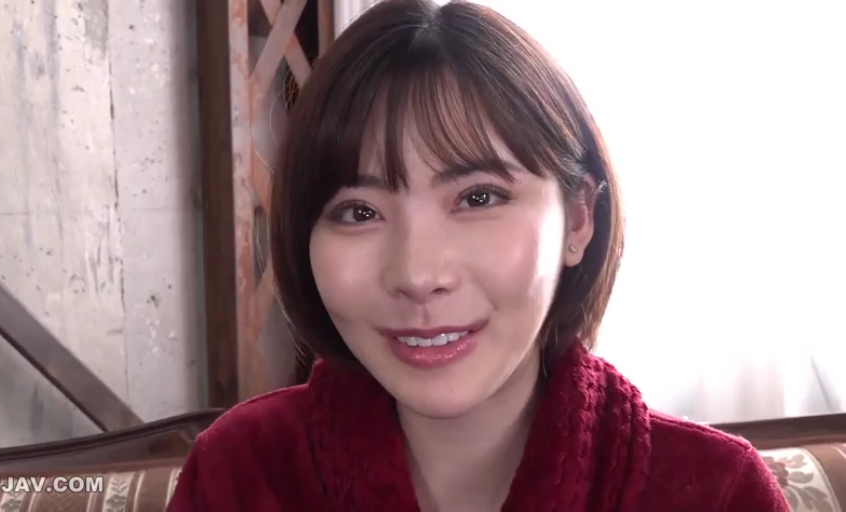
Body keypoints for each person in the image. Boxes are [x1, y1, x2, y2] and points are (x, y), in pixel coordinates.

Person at [167, 0, 788, 510]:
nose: (418, 275)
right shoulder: (239, 474)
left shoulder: (716, 492)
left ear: (578, 219)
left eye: (478, 198)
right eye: (359, 212)